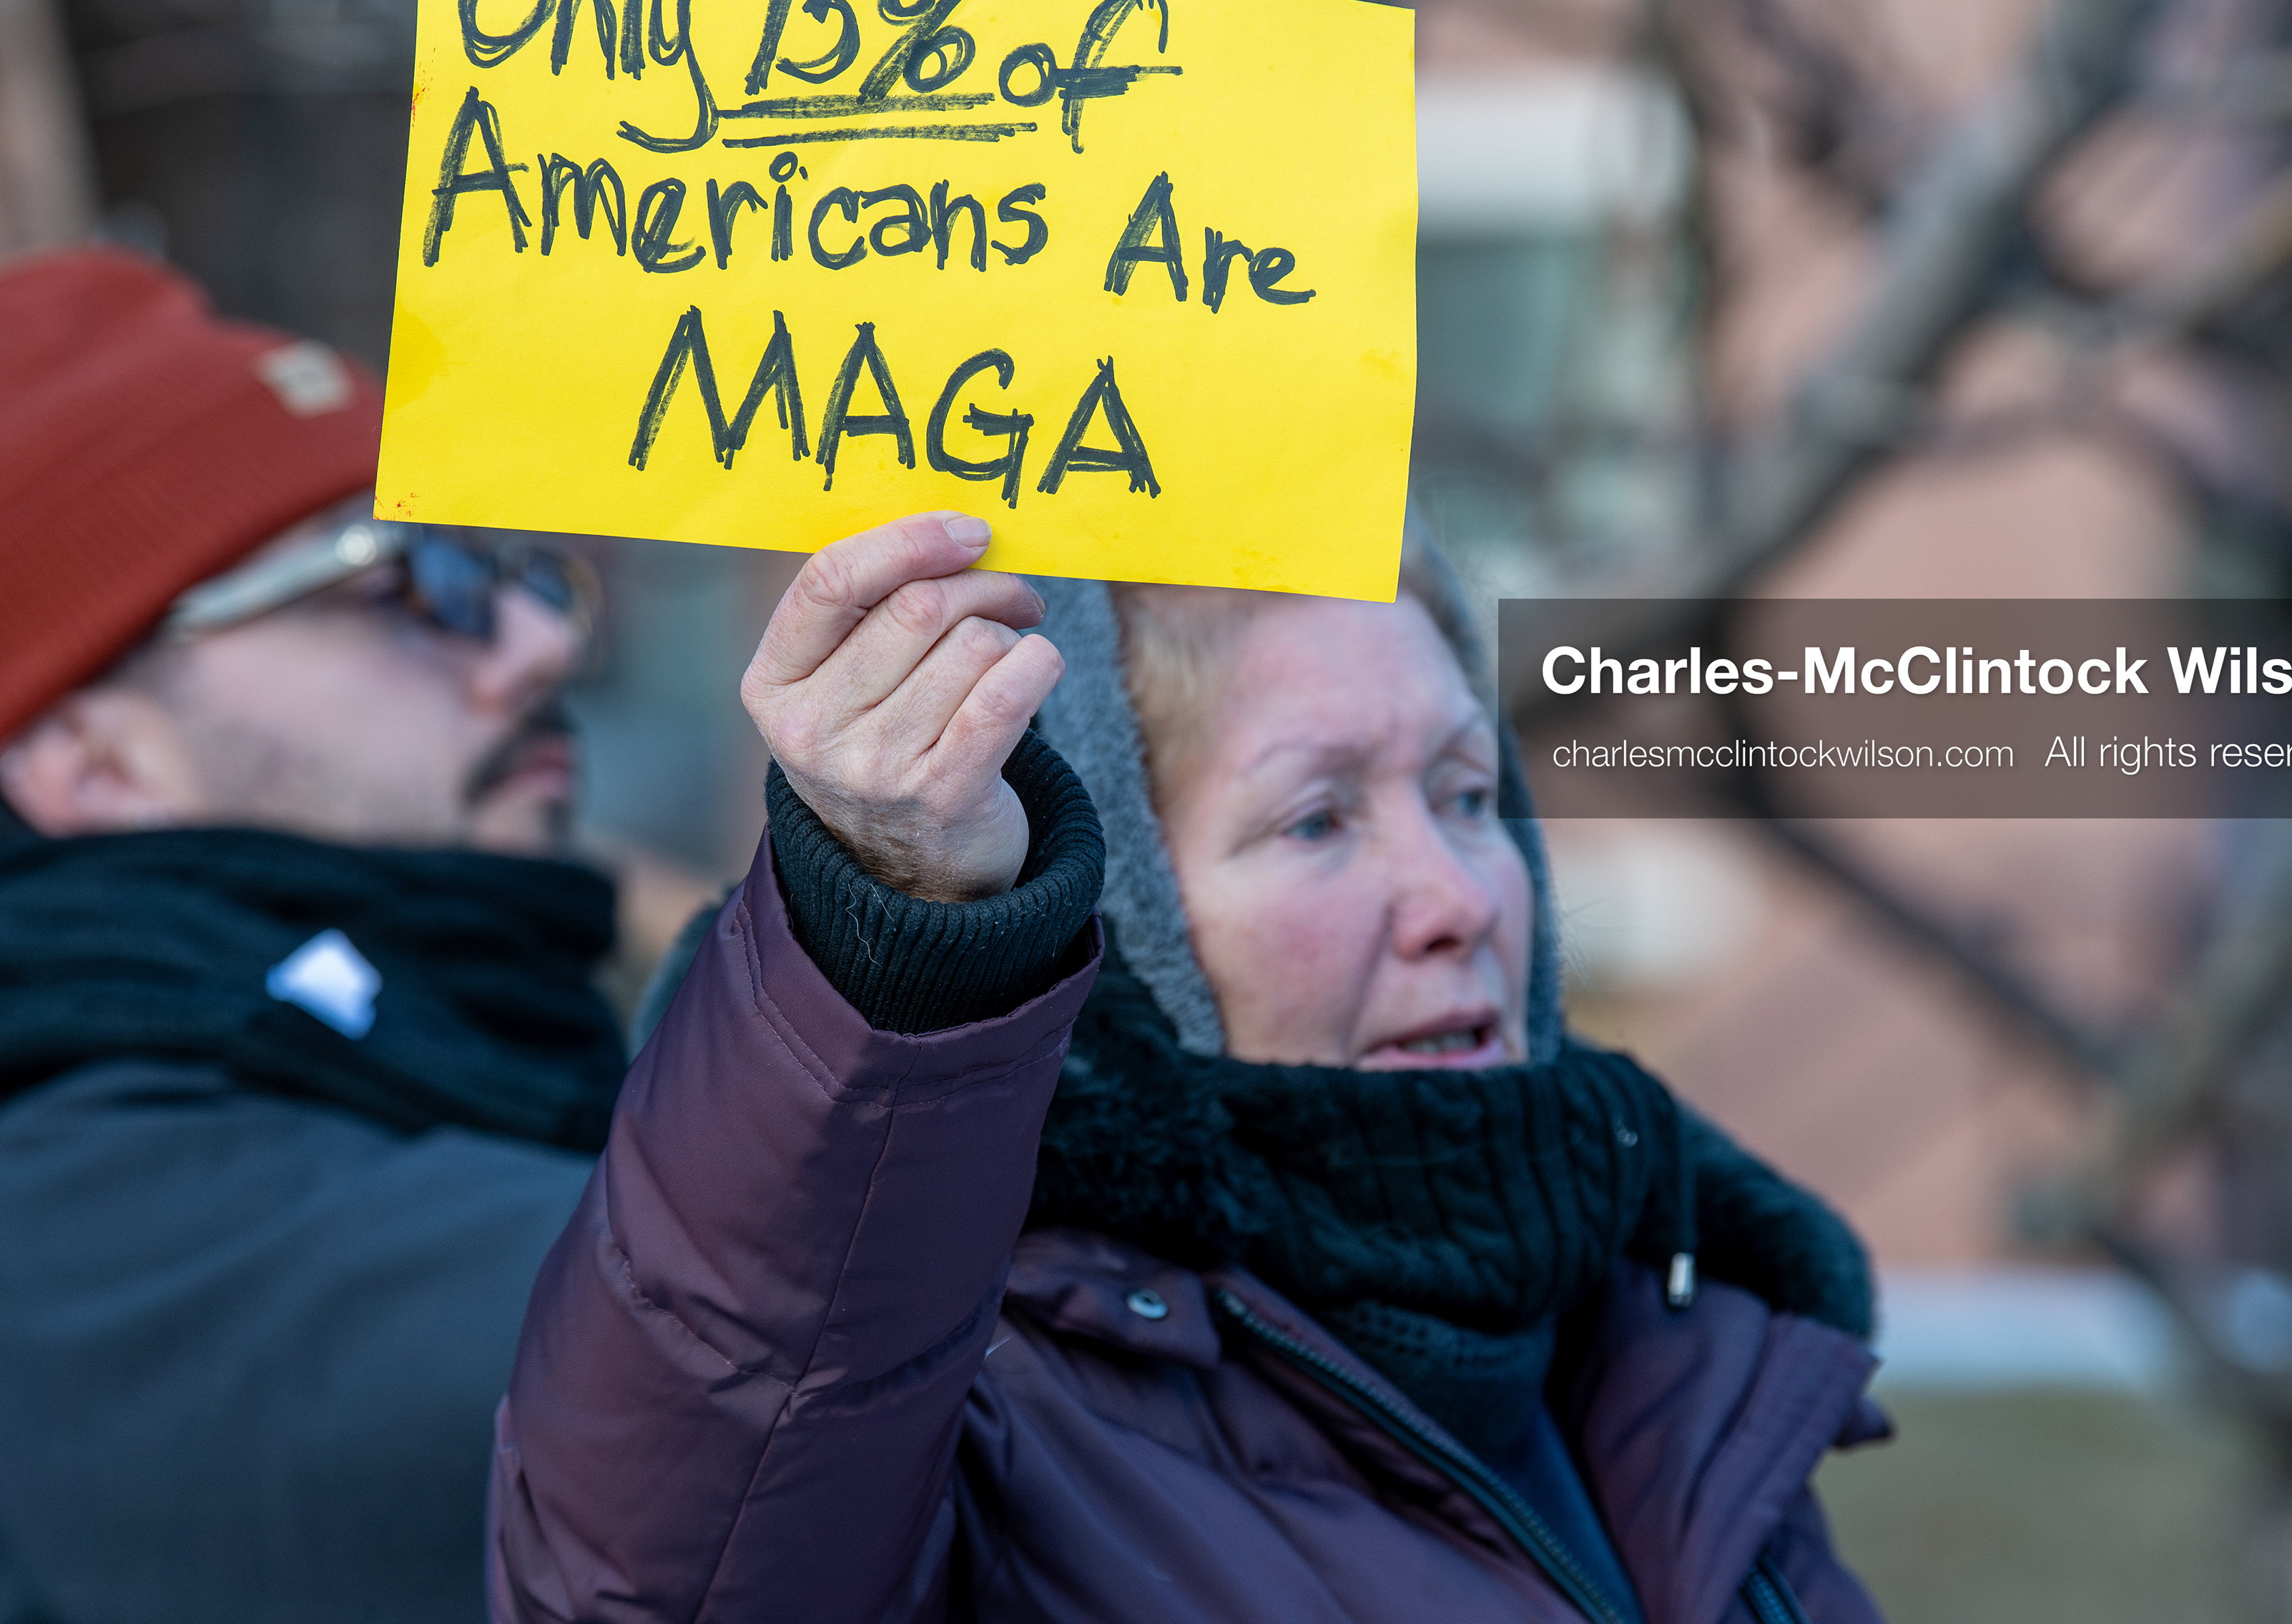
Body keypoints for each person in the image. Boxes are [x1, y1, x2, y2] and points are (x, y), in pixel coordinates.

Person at [492, 511, 1889, 1623]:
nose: (1459, 893)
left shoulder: (1685, 1337)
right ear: (1122, 914)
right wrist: (901, 926)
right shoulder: (972, 1413)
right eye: (1318, 818)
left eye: (1468, 793)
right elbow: (677, 1569)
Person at [0, 250, 632, 1624]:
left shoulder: (419, 1054)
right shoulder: (88, 1213)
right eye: (399, 579)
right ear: (96, 763)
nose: (537, 641)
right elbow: (751, 1379)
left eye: (503, 567)